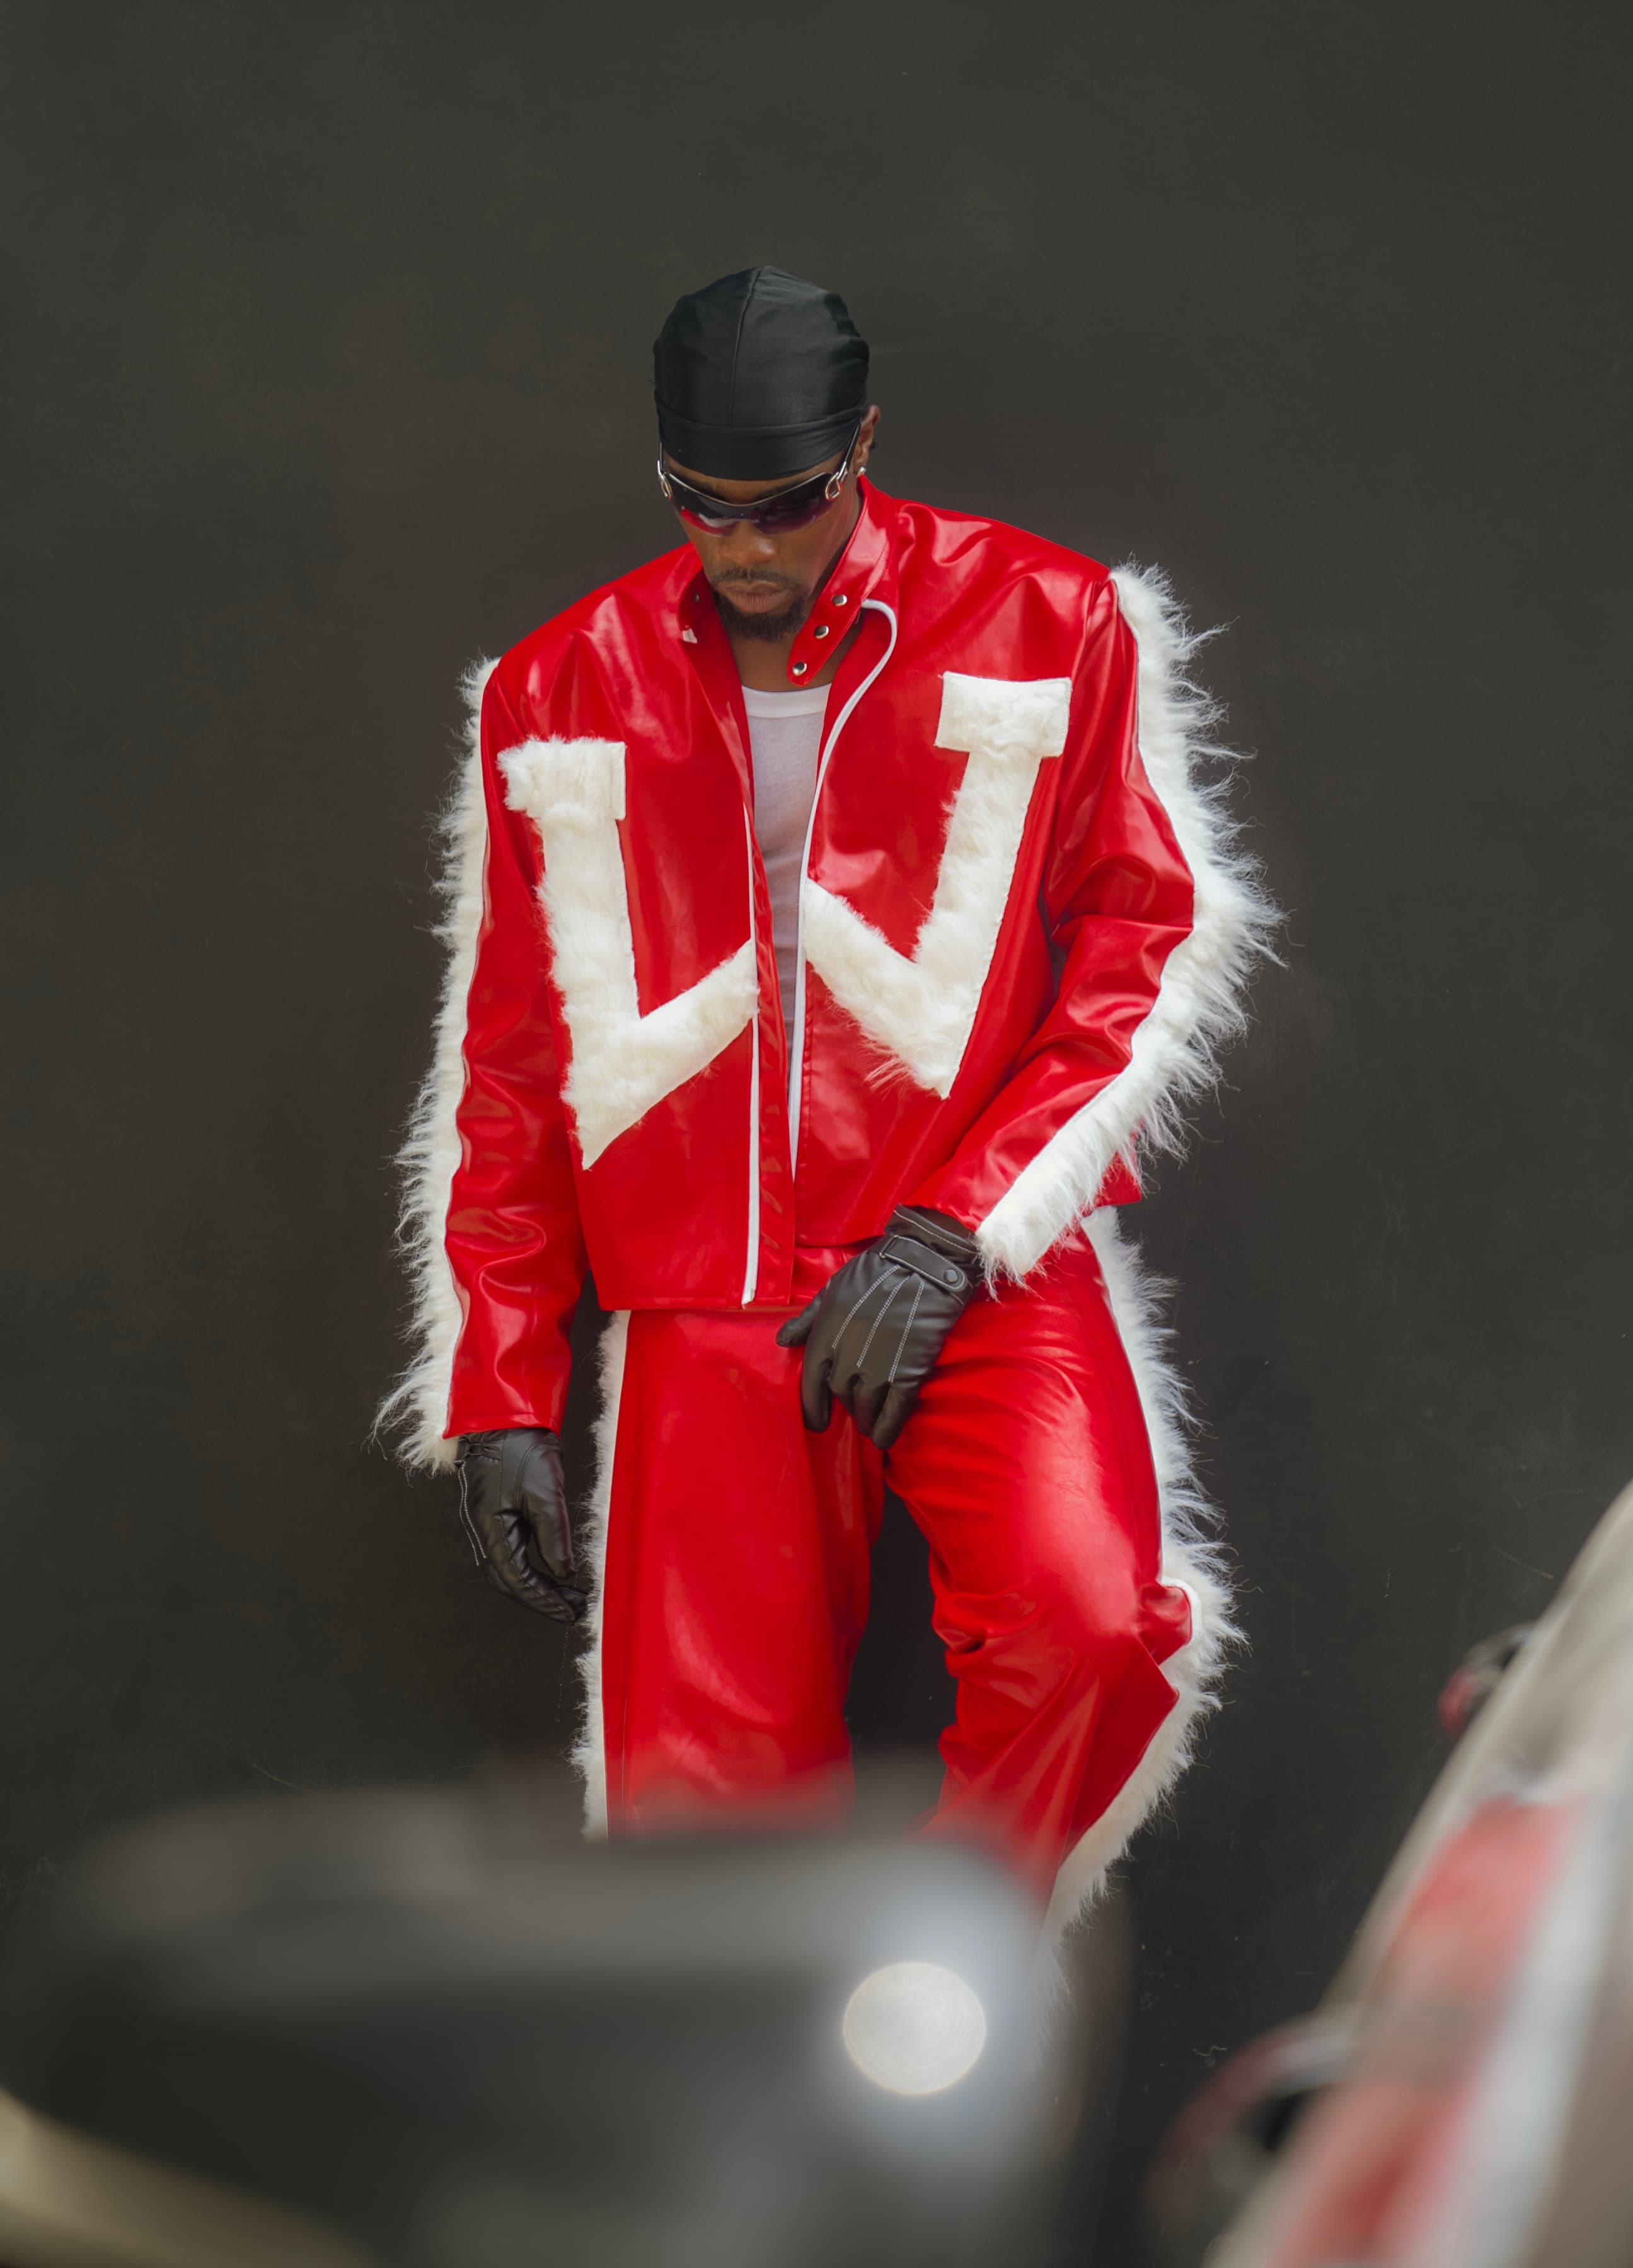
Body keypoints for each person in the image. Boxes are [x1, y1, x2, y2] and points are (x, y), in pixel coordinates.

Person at [381, 265, 1272, 1930]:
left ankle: (916, 1967)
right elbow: (510, 1057)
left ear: (861, 449)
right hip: (704, 1282)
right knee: (697, 1815)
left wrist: (954, 1230)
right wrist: (501, 1382)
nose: (747, 549)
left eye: (788, 504)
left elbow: (1145, 943)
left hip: (972, 1252)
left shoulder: (1050, 617)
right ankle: (774, 2044)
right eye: (703, 505)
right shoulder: (560, 683)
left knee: (1093, 1627)